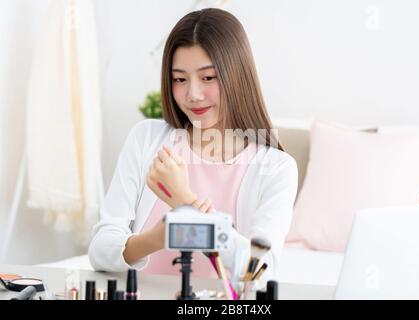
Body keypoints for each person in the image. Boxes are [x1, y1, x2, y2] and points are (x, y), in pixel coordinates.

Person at [88, 8, 298, 285]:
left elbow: (260, 270)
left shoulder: (275, 168)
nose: (193, 95)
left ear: (237, 75)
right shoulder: (146, 140)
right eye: (180, 79)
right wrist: (157, 237)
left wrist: (185, 203)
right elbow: (100, 250)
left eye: (208, 78)